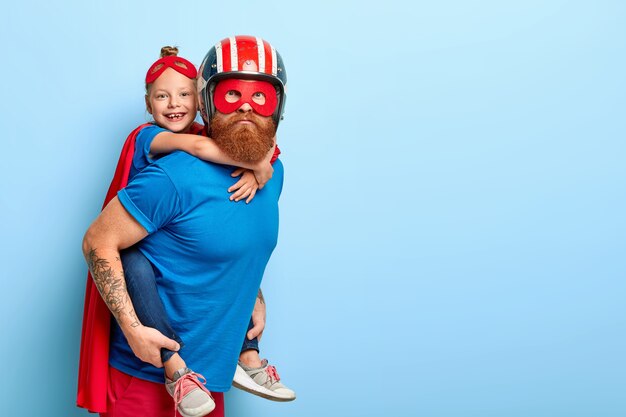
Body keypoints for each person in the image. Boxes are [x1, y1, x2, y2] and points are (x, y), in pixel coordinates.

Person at [79, 35, 291, 417]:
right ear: (209, 102)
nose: (246, 107)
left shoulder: (271, 175)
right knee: (136, 262)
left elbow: (229, 242)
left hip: (210, 380)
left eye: (259, 97)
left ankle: (248, 361)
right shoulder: (174, 170)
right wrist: (132, 328)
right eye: (232, 96)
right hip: (146, 381)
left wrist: (253, 296)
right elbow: (98, 241)